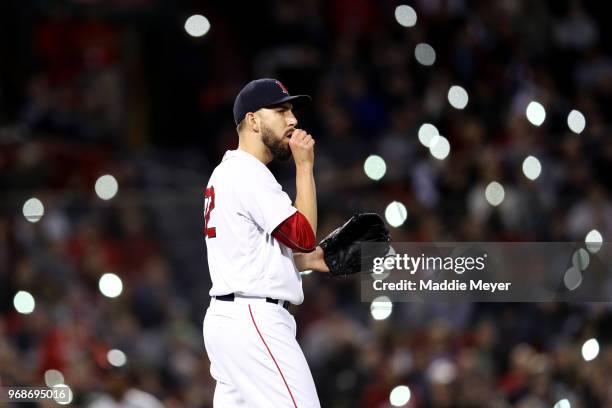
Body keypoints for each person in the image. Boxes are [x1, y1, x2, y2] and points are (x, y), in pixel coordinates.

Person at [202, 78, 329, 407]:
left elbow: (252, 253)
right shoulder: (247, 172)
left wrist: (307, 262)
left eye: (292, 111)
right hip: (254, 319)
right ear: (253, 120)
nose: (293, 120)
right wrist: (305, 167)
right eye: (281, 110)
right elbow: (302, 237)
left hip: (231, 320)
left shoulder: (228, 173)